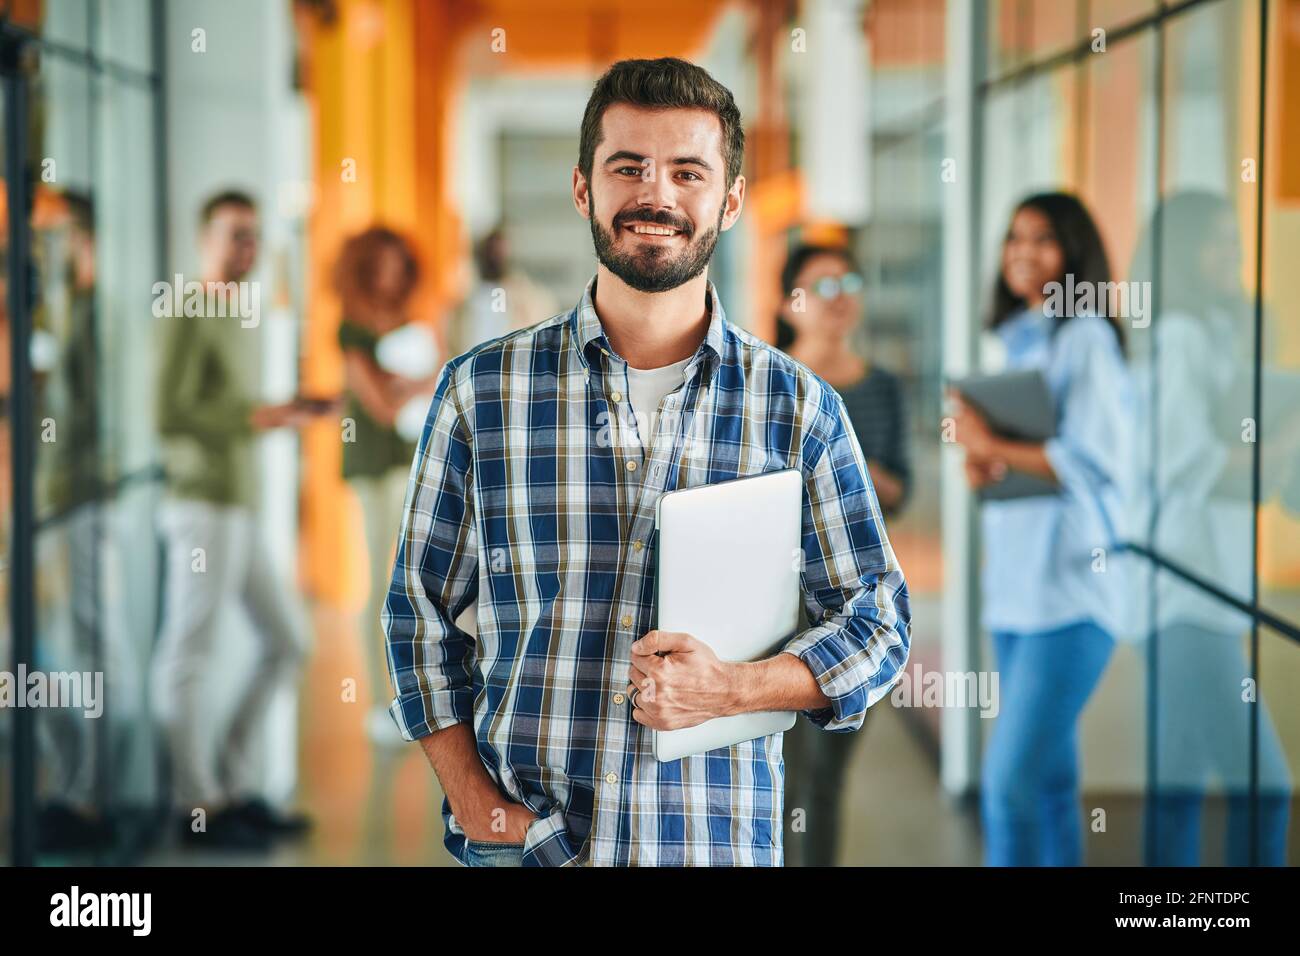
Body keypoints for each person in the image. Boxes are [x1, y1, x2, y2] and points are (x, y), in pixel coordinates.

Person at [383, 56, 911, 867]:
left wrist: (734, 689)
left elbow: (878, 623)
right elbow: (417, 615)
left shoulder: (798, 408)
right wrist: (478, 805)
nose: (655, 195)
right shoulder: (479, 394)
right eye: (626, 166)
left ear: (729, 201)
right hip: (530, 848)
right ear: (583, 188)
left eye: (687, 172)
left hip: (712, 843)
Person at [951, 192, 1131, 866]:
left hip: (1072, 593)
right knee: (1052, 785)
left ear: (1075, 252)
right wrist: (985, 463)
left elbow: (1095, 460)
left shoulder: (1084, 335)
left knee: (1009, 785)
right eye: (1014, 237)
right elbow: (1022, 465)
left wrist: (991, 442)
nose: (1023, 251)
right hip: (1017, 591)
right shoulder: (1019, 339)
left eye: (1044, 239)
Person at [151, 190, 325, 850]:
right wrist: (265, 416)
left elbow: (229, 405)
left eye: (254, 237)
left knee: (289, 642)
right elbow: (167, 414)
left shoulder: (237, 314)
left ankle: (232, 786)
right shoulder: (184, 310)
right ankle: (196, 806)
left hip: (241, 505)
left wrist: (278, 410)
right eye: (234, 235)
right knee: (187, 655)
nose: (246, 249)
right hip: (201, 504)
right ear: (205, 239)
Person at [1129, 191, 1291, 865]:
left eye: (1235, 238)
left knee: (1177, 789)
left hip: (1209, 587)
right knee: (1268, 789)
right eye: (1215, 241)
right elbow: (1184, 463)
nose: (1232, 253)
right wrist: (1282, 447)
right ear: (1182, 255)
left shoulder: (1219, 331)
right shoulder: (1178, 337)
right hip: (1186, 594)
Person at [774, 242, 910, 866]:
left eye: (848, 281)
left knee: (822, 776)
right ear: (790, 303)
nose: (840, 297)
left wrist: (843, 471)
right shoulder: (768, 383)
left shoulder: (881, 387)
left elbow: (900, 491)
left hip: (851, 604)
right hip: (771, 605)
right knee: (769, 775)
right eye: (821, 285)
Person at [332, 226, 434, 746]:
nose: (391, 275)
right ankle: (379, 702)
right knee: (380, 584)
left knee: (416, 585)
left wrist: (415, 383)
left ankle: (418, 696)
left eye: (400, 264)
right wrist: (420, 382)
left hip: (412, 463)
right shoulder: (351, 329)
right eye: (383, 265)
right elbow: (382, 404)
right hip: (374, 466)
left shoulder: (411, 321)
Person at [448, 224, 559, 357]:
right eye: (491, 250)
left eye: (500, 251)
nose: (496, 255)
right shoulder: (466, 293)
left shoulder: (528, 296)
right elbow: (455, 340)